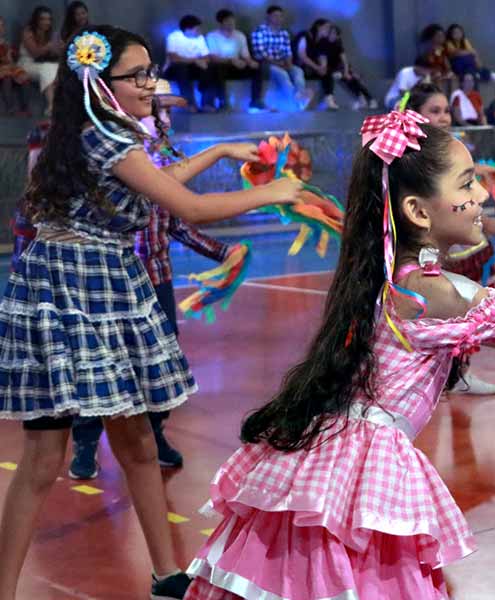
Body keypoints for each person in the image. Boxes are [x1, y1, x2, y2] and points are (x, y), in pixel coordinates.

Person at [182, 112, 495, 599]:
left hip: (322, 456)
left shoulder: (396, 275)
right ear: (417, 210)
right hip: (362, 464)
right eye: (468, 183)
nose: (481, 195)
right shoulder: (436, 291)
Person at [0, 25, 302, 599]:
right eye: (136, 75)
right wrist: (275, 191)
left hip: (106, 281)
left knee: (136, 438)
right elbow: (188, 207)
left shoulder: (106, 133)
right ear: (99, 83)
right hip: (71, 289)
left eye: (149, 72)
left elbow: (155, 185)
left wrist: (215, 150)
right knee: (44, 455)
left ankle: (167, 574)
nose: (150, 83)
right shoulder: (104, 138)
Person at [67, 79, 239, 481]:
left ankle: (154, 433)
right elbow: (188, 210)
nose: (165, 118)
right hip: (113, 281)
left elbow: (175, 221)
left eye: (167, 112)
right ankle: (87, 442)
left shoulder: (160, 156)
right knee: (100, 365)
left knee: (161, 365)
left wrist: (222, 253)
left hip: (156, 280)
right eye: (160, 107)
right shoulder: (113, 151)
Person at [406, 82, 495, 396]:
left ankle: (459, 373)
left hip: (466, 246)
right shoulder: (412, 158)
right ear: (414, 115)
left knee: (466, 309)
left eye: (446, 110)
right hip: (433, 247)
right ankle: (429, 373)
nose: (443, 117)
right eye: (433, 111)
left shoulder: (454, 147)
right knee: (434, 308)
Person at [250, 5, 308, 111]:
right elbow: (260, 53)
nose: (278, 19)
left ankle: (300, 96)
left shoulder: (284, 33)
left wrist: (289, 65)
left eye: (280, 16)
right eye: (275, 16)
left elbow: (288, 52)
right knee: (283, 74)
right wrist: (279, 64)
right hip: (267, 64)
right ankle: (295, 101)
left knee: (298, 71)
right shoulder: (259, 31)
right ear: (268, 17)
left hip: (283, 63)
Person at [206, 9, 261, 112]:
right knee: (216, 68)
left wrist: (250, 62)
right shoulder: (212, 36)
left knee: (257, 67)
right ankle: (223, 102)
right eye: (228, 21)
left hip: (237, 66)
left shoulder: (240, 35)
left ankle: (256, 101)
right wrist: (231, 60)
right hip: (221, 65)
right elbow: (213, 58)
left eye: (232, 21)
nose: (231, 24)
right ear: (220, 23)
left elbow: (245, 55)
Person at [163, 15, 220, 112]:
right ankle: (189, 103)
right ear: (188, 29)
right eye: (197, 29)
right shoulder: (174, 37)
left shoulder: (200, 38)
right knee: (181, 68)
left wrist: (199, 61)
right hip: (175, 68)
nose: (199, 31)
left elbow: (206, 56)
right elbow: (174, 58)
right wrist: (195, 60)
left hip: (194, 68)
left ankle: (207, 103)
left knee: (210, 67)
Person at [18, 6, 63, 116]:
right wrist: (49, 46)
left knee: (57, 68)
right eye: (43, 19)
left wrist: (59, 48)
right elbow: (35, 53)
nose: (46, 22)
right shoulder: (28, 32)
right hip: (27, 63)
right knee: (47, 69)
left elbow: (55, 53)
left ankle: (59, 106)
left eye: (48, 19)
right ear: (36, 20)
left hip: (44, 62)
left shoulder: (51, 33)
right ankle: (51, 105)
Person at [326, 25, 378, 110]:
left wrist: (346, 72)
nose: (332, 35)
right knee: (348, 80)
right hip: (332, 71)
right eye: (330, 33)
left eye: (334, 34)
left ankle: (371, 99)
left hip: (342, 69)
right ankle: (362, 99)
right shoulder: (324, 44)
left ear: (338, 36)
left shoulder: (338, 46)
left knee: (352, 80)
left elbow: (345, 61)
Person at [294, 18, 338, 110]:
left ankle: (329, 98)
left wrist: (323, 67)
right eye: (326, 27)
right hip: (300, 67)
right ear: (318, 27)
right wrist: (317, 67)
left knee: (328, 72)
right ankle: (302, 98)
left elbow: (323, 56)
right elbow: (302, 55)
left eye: (329, 28)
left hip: (313, 68)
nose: (328, 30)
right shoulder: (305, 35)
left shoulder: (322, 41)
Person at [0, 17, 31, 116]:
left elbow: (10, 60)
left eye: (1, 26)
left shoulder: (5, 42)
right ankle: (9, 108)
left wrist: (11, 59)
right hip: (3, 70)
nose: (0, 28)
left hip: (7, 67)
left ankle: (25, 108)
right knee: (7, 78)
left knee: (23, 76)